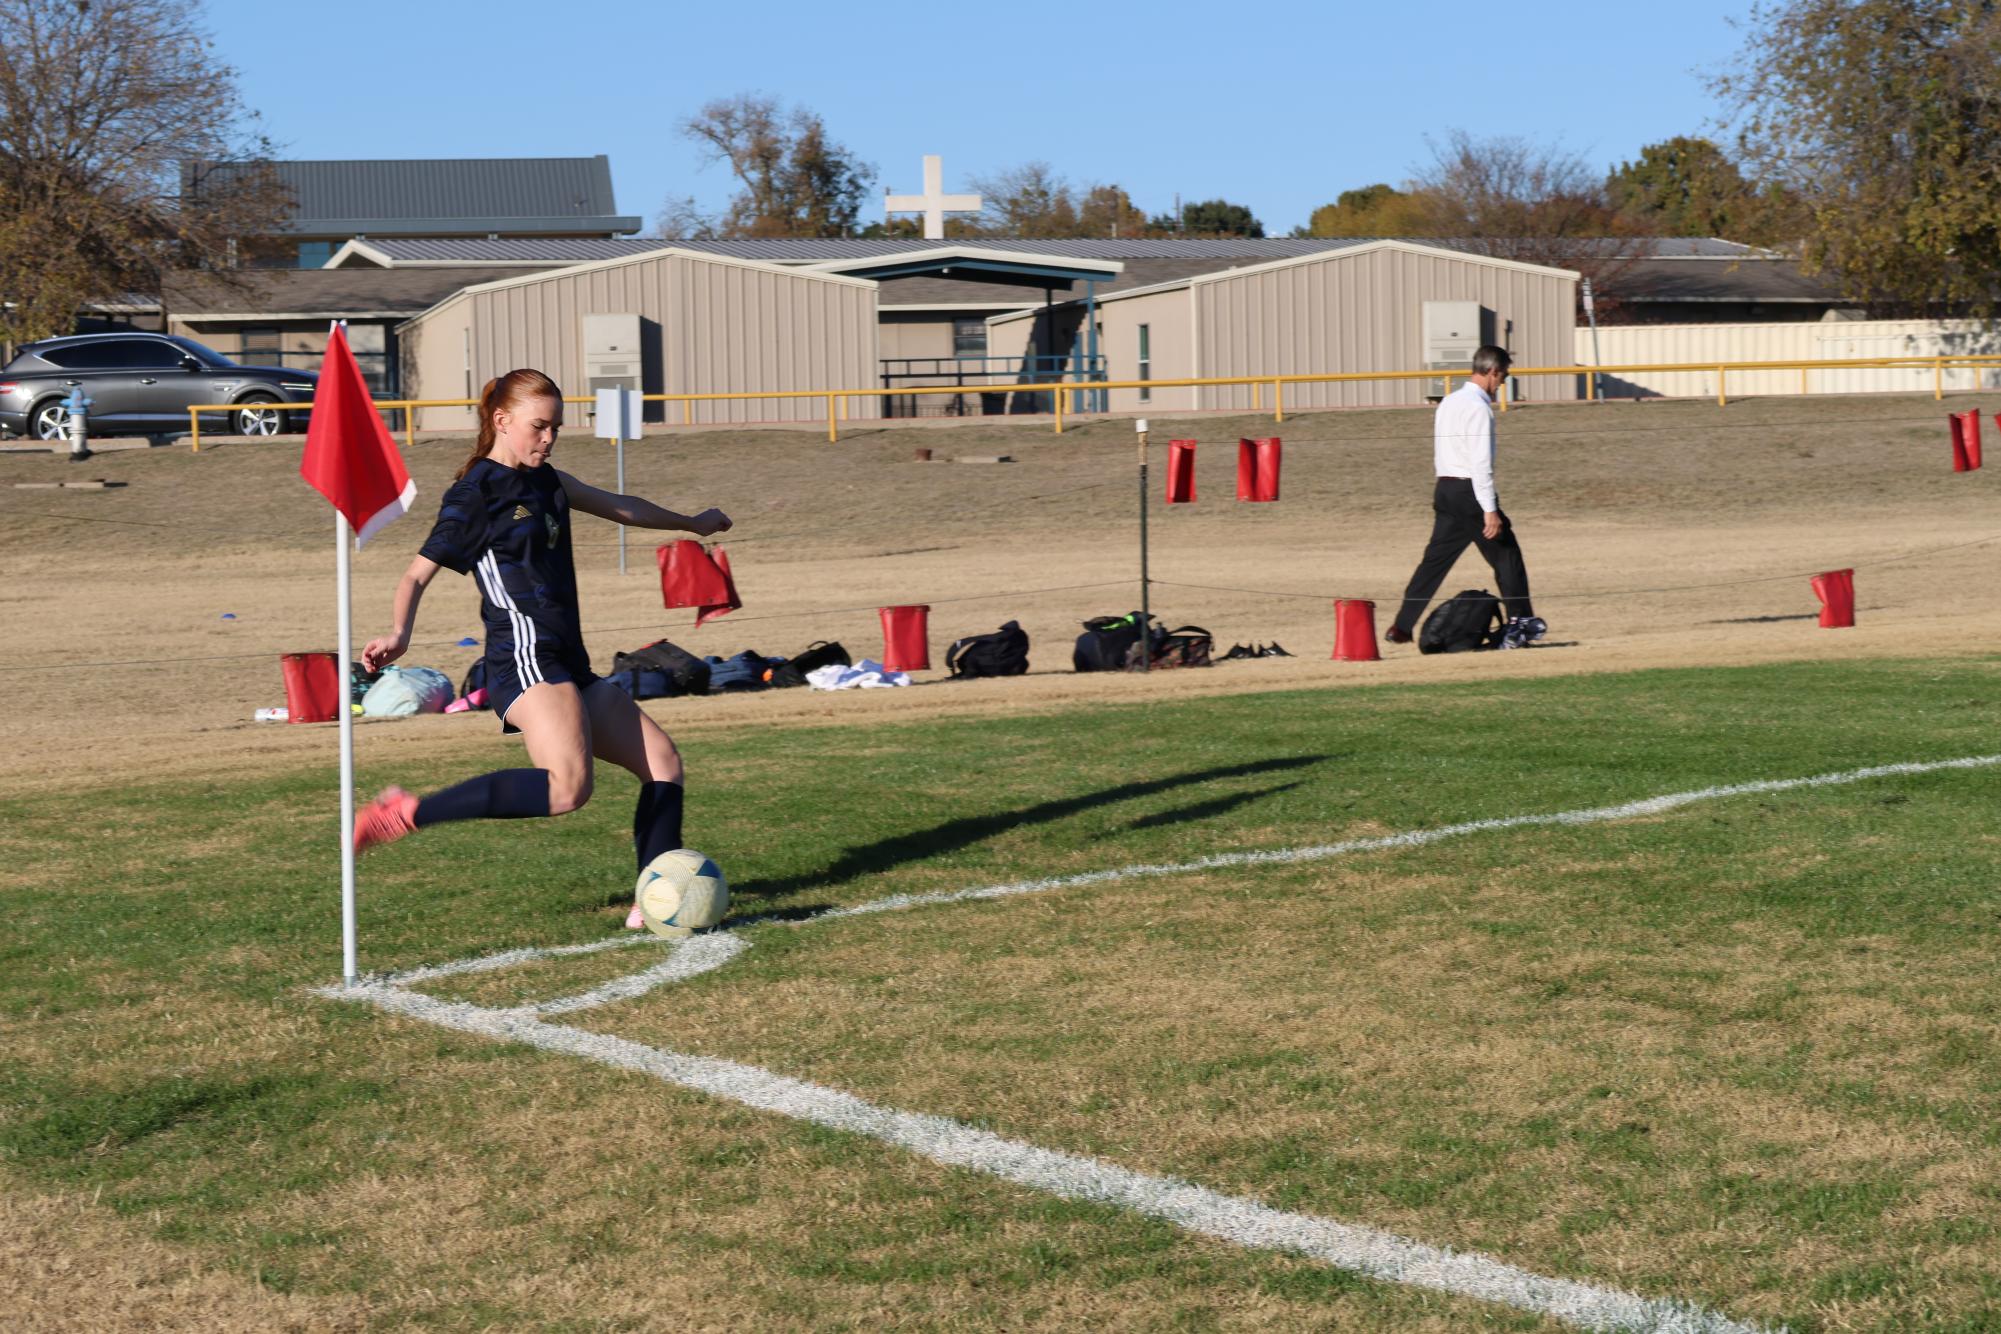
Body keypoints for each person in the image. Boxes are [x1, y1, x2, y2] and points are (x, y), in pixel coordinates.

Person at [353, 368, 732, 930]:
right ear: (501, 421)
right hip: (524, 659)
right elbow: (415, 574)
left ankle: (654, 900)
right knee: (566, 789)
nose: (548, 438)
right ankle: (406, 813)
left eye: (555, 427)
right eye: (539, 427)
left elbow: (622, 506)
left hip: (567, 659)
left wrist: (691, 523)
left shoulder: (549, 480)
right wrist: (399, 633)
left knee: (663, 764)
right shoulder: (475, 493)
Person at [1383, 344, 1547, 650]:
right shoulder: (1479, 408)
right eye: (1504, 376)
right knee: (1507, 555)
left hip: (1445, 488)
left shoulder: (1449, 401)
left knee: (1433, 562)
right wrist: (1489, 510)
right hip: (1470, 490)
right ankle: (1519, 626)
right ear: (1493, 371)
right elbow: (1480, 463)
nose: (1503, 384)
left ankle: (1402, 626)